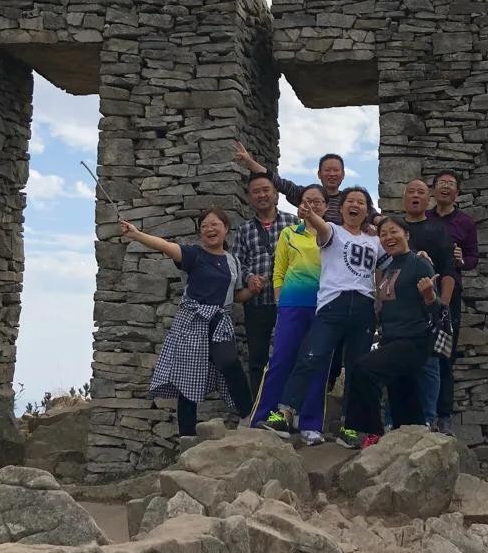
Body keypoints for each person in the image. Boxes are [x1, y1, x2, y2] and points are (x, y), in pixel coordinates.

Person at [119, 208, 264, 438]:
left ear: (226, 229)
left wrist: (252, 291)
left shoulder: (233, 261)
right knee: (188, 377)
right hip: (192, 321)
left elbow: (236, 296)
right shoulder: (194, 255)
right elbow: (166, 246)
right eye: (204, 226)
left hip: (220, 321)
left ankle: (247, 415)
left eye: (214, 224)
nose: (209, 229)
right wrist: (137, 235)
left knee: (229, 363)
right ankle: (187, 437)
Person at [260, 186, 383, 449]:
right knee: (310, 357)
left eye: (361, 202)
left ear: (367, 210)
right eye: (350, 201)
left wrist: (419, 254)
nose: (355, 205)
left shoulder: (375, 240)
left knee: (357, 368)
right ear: (341, 207)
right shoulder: (332, 230)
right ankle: (284, 414)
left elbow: (394, 257)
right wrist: (310, 213)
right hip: (332, 304)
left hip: (364, 307)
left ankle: (349, 427)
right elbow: (321, 226)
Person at [250, 184, 331, 444]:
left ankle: (310, 424)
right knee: (281, 359)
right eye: (308, 201)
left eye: (318, 201)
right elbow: (279, 271)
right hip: (292, 304)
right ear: (300, 206)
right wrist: (280, 303)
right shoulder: (289, 233)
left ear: (326, 206)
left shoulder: (332, 235)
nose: (312, 205)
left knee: (317, 364)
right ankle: (264, 415)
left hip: (324, 307)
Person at [346, 216, 437, 443]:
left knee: (364, 370)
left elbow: (434, 308)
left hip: (413, 339)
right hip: (391, 338)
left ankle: (371, 432)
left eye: (393, 231)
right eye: (383, 234)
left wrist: (429, 295)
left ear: (407, 234)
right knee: (403, 393)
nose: (388, 237)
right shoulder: (390, 267)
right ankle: (412, 435)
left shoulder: (419, 263)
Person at [400, 179, 457, 429]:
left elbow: (449, 270)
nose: (415, 196)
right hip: (401, 309)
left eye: (421, 192)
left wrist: (443, 306)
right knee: (401, 362)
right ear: (403, 198)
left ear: (429, 198)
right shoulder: (395, 229)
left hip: (432, 307)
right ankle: (399, 419)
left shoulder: (438, 230)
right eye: (411, 192)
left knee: (437, 362)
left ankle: (435, 418)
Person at [229, 174, 290, 391]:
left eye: (266, 190)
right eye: (256, 192)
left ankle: (285, 405)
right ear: (249, 197)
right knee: (257, 359)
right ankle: (258, 405)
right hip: (257, 302)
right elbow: (238, 262)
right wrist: (250, 278)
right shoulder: (244, 229)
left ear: (276, 194)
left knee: (288, 355)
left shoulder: (292, 223)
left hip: (287, 302)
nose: (262, 195)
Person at [430, 169, 480, 434]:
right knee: (418, 352)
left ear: (457, 192)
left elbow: (473, 258)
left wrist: (462, 261)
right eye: (441, 183)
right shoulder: (424, 218)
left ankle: (443, 415)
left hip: (450, 295)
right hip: (420, 291)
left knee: (444, 354)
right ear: (433, 190)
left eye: (450, 184)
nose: (446, 187)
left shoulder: (465, 222)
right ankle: (422, 412)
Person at [233, 142, 379, 226]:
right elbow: (277, 181)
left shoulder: (348, 201)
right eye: (327, 170)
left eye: (336, 170)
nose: (332, 174)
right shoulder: (306, 195)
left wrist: (381, 223)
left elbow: (372, 215)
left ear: (343, 174)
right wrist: (249, 162)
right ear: (319, 174)